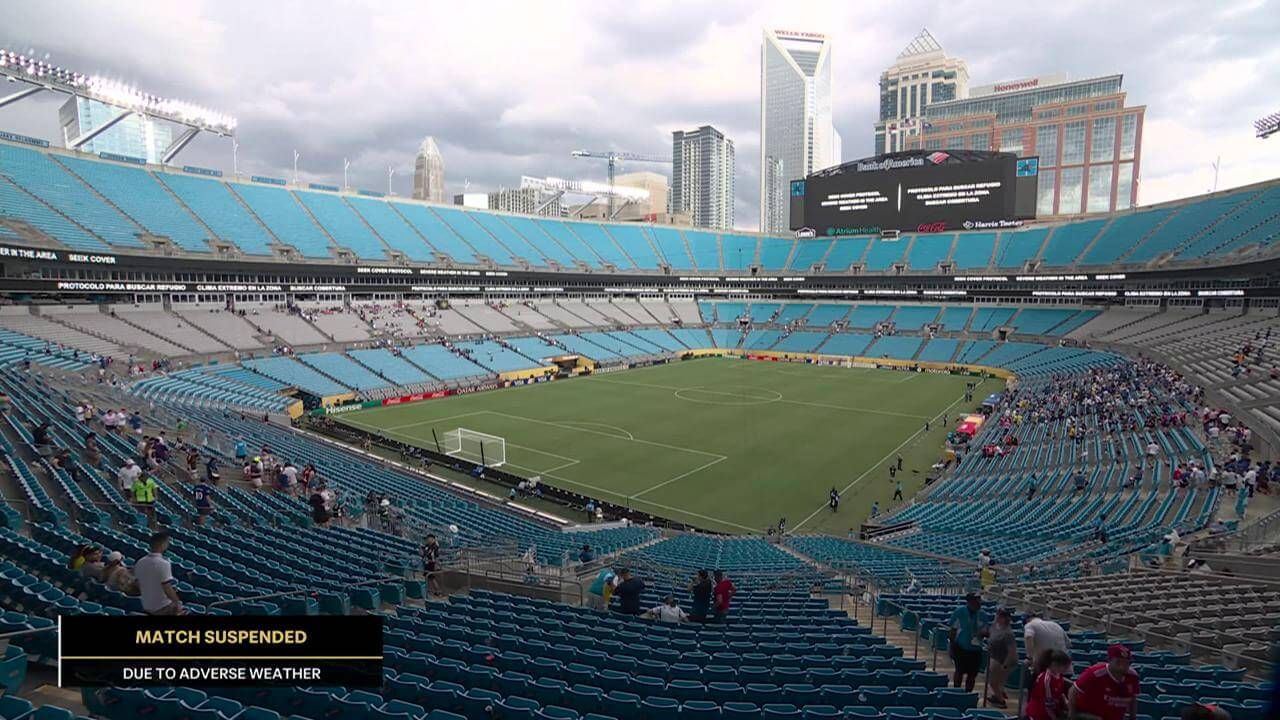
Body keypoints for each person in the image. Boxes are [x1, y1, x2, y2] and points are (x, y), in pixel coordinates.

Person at [1069, 644, 1140, 720]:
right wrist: (1072, 715)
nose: (1122, 667)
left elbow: (1133, 698)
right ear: (1109, 660)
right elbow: (1073, 691)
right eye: (1118, 662)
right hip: (1090, 715)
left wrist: (1133, 717)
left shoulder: (1133, 676)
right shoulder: (1095, 673)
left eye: (1127, 663)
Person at [135, 531, 185, 615]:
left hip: (146, 605)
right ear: (162, 545)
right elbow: (167, 588)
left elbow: (137, 583)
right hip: (161, 607)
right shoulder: (163, 564)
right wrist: (177, 603)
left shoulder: (140, 562)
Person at [948, 593, 986, 691]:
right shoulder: (960, 612)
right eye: (976, 601)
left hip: (976, 649)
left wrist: (984, 633)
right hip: (961, 647)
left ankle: (968, 693)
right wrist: (951, 647)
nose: (979, 604)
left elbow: (987, 630)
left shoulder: (983, 614)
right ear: (970, 602)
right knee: (959, 672)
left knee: (972, 675)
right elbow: (953, 630)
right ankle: (956, 691)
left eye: (979, 601)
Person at [1026, 650, 1073, 720]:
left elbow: (1060, 692)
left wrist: (1066, 702)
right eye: (1065, 666)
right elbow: (1048, 704)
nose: (1066, 668)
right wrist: (1055, 718)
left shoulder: (1058, 675)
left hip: (1051, 711)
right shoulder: (1046, 681)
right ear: (1055, 665)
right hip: (1039, 714)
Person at [986, 607, 1017, 707]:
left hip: (1003, 660)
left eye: (1000, 616)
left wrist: (1005, 665)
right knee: (998, 682)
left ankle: (1001, 701)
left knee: (993, 682)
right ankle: (997, 695)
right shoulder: (995, 626)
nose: (997, 617)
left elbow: (1012, 651)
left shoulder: (1008, 633)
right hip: (995, 657)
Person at [1024, 612, 1072, 678]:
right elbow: (1069, 644)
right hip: (1065, 668)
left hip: (1048, 670)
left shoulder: (1030, 625)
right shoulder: (1055, 624)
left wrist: (1029, 657)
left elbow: (1028, 637)